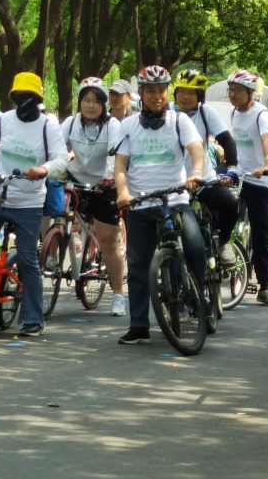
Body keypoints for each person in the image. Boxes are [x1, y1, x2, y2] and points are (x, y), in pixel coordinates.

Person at [0, 71, 66, 337]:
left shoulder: (48, 127)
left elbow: (61, 160)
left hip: (29, 202)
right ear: (13, 97)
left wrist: (43, 169)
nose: (24, 101)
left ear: (38, 99)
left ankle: (33, 319)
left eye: (29, 96)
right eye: (19, 96)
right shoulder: (4, 120)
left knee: (28, 260)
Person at [113, 65, 206, 345]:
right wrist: (123, 192)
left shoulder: (180, 121)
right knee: (138, 267)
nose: (157, 96)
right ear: (140, 93)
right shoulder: (128, 125)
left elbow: (196, 149)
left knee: (196, 247)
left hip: (175, 201)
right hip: (140, 204)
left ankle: (198, 299)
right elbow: (120, 165)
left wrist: (196, 173)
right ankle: (139, 325)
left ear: (168, 92)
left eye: (162, 90)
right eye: (151, 90)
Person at [60, 77, 127, 316]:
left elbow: (114, 156)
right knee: (52, 209)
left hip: (103, 183)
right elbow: (56, 148)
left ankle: (118, 295)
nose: (90, 105)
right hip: (76, 177)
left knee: (108, 240)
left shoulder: (112, 125)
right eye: (86, 100)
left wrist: (108, 180)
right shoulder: (70, 123)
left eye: (96, 101)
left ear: (104, 104)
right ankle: (50, 256)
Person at [172, 69, 239, 266]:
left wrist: (232, 169)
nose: (185, 97)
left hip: (203, 179)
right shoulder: (167, 113)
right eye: (181, 91)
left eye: (191, 93)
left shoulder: (205, 112)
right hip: (173, 182)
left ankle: (223, 243)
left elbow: (227, 141)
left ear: (199, 96)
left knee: (230, 202)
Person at [226, 69, 268, 307]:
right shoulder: (233, 112)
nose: (232, 94)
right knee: (226, 221)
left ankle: (264, 286)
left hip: (258, 180)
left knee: (261, 234)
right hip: (238, 177)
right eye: (230, 90)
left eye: (237, 90)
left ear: (250, 93)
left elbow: (267, 140)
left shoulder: (261, 114)